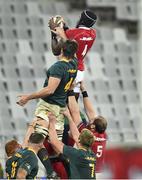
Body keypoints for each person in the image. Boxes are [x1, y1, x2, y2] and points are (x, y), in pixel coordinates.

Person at [16, 39, 78, 178]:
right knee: (56, 146)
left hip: (47, 107)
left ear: (62, 50)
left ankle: (50, 172)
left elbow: (50, 90)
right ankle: (71, 171)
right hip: (61, 108)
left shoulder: (58, 67)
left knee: (34, 141)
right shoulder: (74, 63)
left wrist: (28, 97)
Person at [49, 10, 97, 98]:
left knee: (61, 100)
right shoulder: (93, 34)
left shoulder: (70, 34)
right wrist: (65, 28)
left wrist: (53, 34)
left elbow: (56, 51)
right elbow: (78, 34)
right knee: (74, 101)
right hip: (80, 70)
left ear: (82, 20)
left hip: (69, 69)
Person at [67, 82, 107, 177]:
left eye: (92, 121)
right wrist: (83, 91)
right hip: (99, 172)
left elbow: (75, 112)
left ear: (93, 127)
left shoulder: (86, 134)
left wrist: (70, 91)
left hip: (88, 173)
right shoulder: (103, 133)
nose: (90, 118)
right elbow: (91, 112)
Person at [48, 111, 96, 179]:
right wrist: (69, 117)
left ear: (80, 141)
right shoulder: (91, 154)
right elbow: (76, 136)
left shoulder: (76, 154)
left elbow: (54, 141)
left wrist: (51, 122)